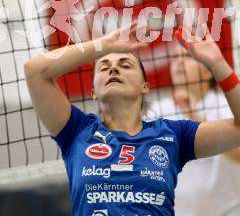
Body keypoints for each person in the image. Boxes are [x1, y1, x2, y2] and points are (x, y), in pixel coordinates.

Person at [24, 21, 240, 216]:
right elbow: (35, 71)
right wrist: (104, 44)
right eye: (104, 67)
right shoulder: (76, 131)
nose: (114, 68)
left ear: (144, 87)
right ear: (93, 92)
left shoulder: (173, 134)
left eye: (125, 65)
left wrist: (218, 64)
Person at [149, 43, 240, 216]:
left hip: (228, 211)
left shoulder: (227, 106)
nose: (179, 63)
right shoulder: (156, 111)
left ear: (207, 71)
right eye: (175, 58)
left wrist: (194, 115)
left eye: (188, 57)